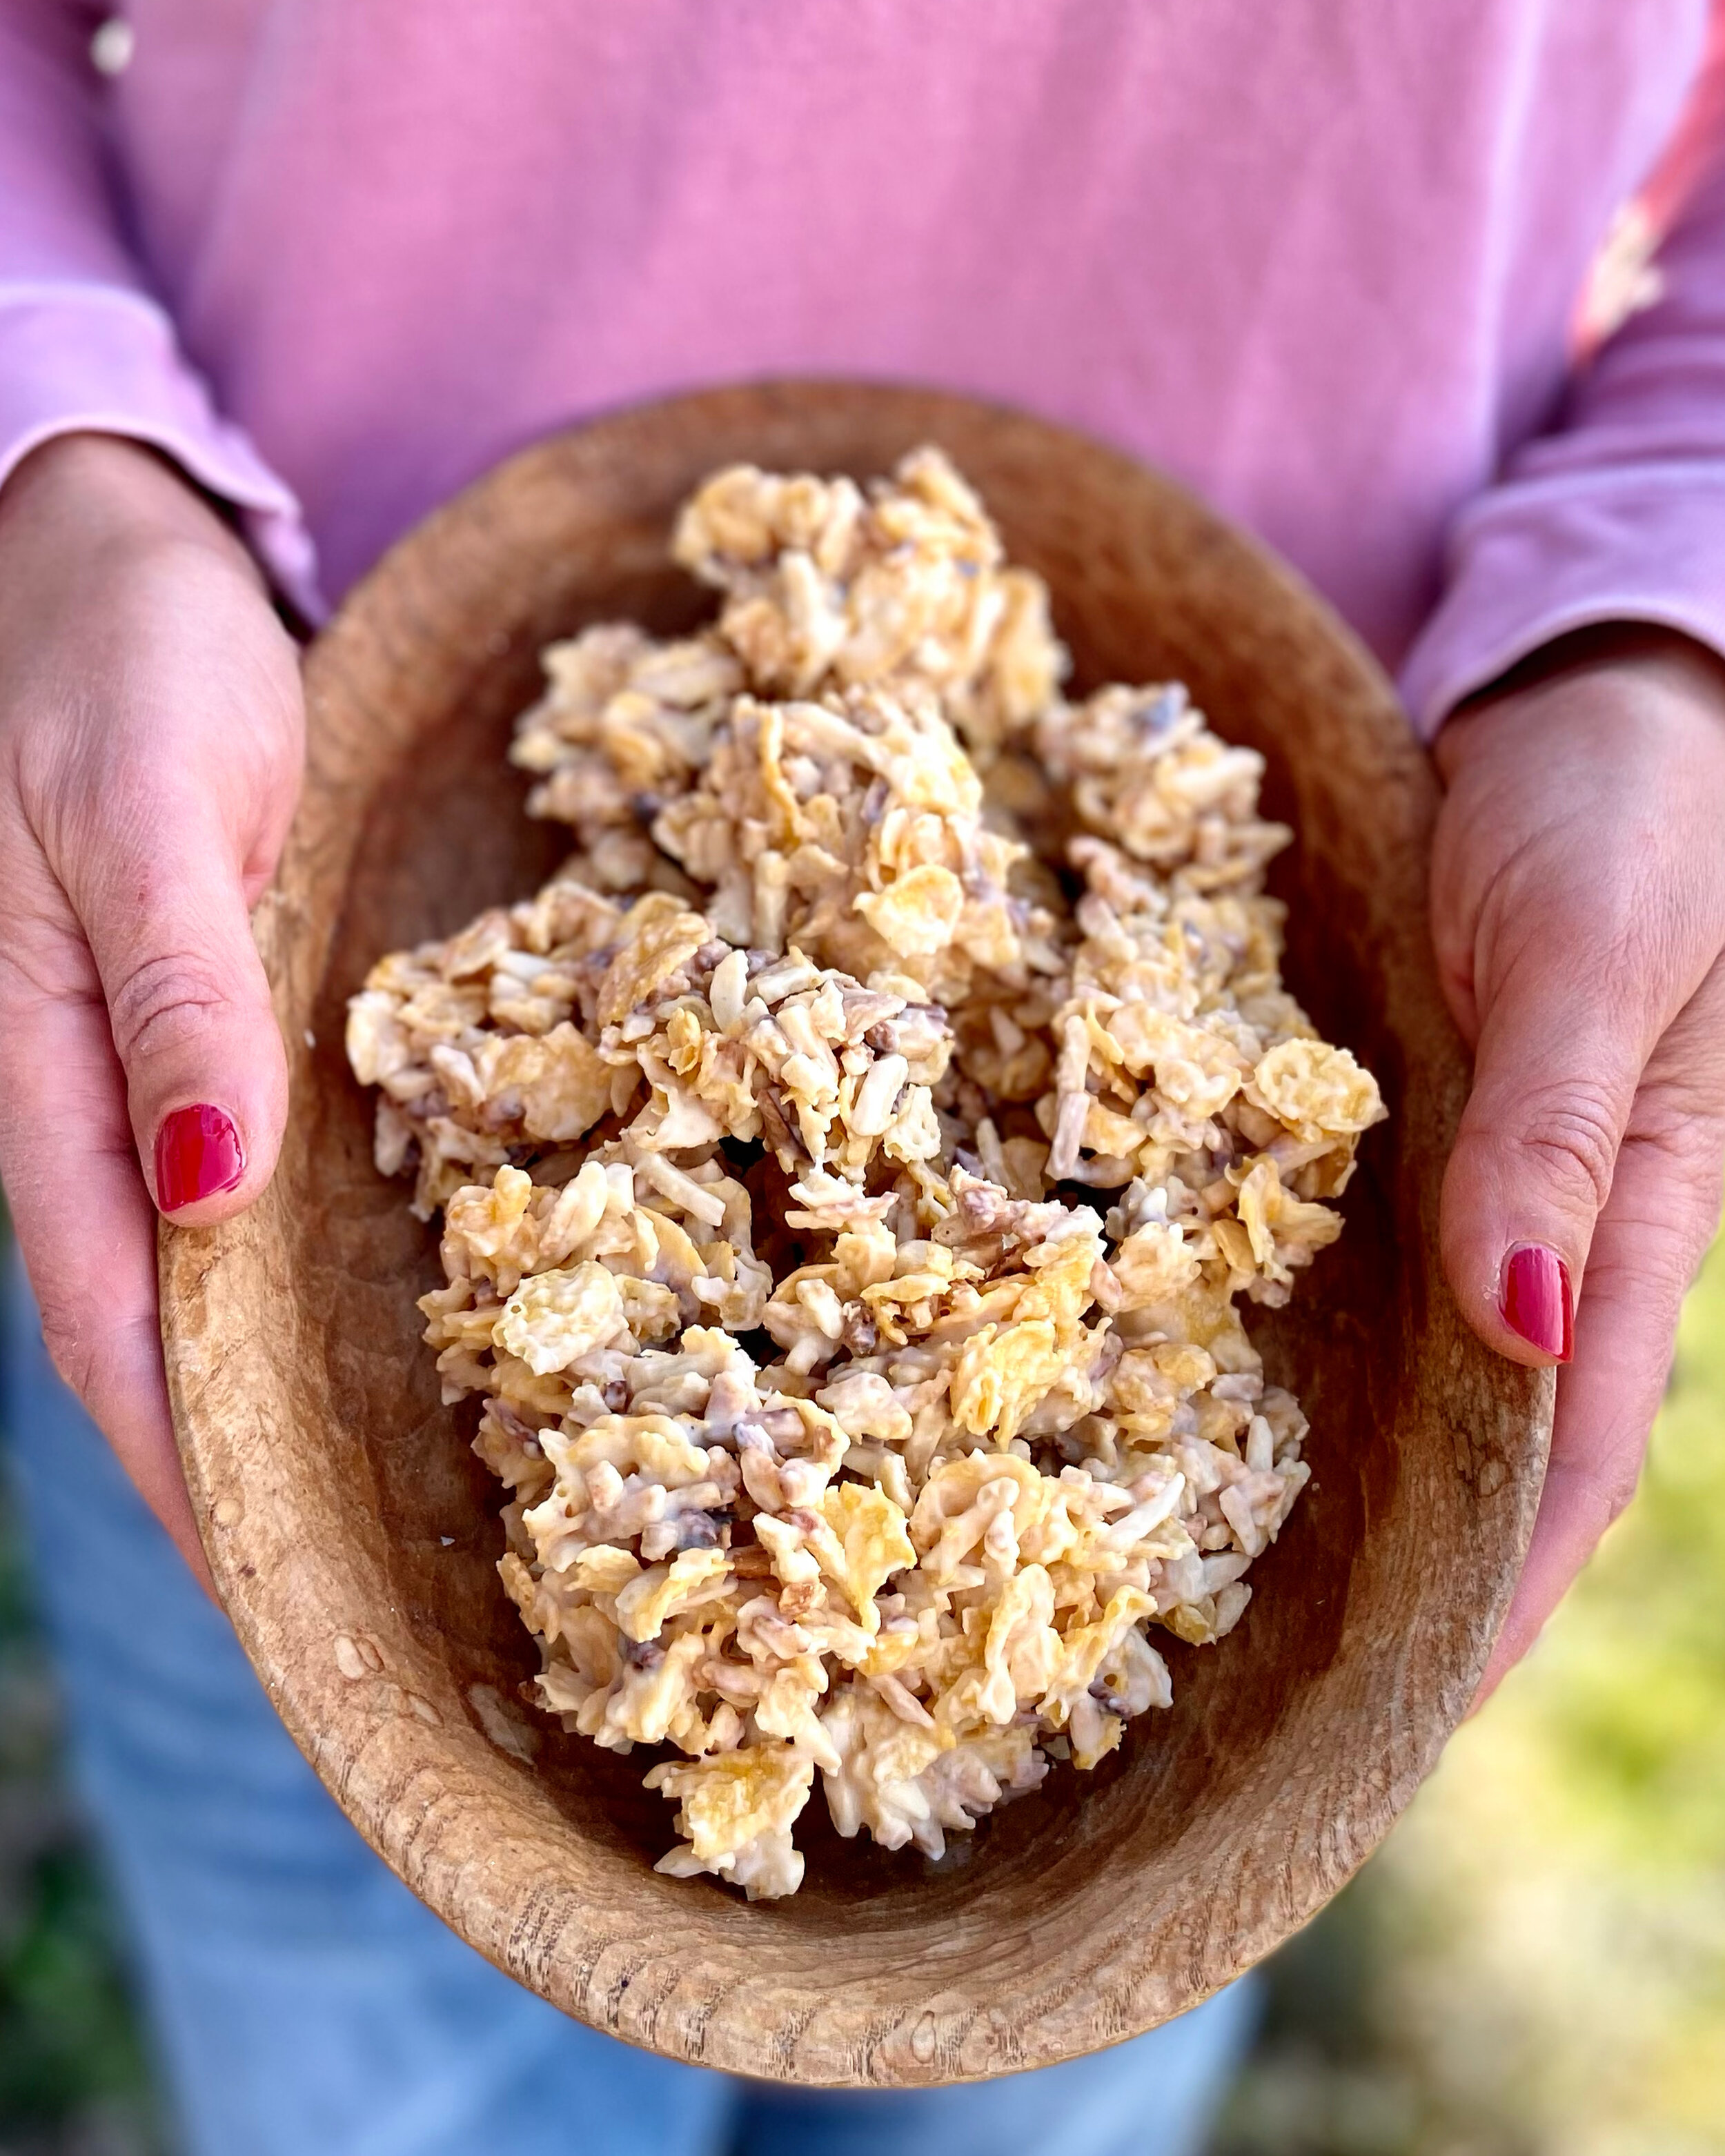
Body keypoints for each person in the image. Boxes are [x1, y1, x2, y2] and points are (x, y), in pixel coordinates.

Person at [1, 5, 1723, 2152]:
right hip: (222, 874)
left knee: (1034, 2091)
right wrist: (60, 451)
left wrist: (1659, 624)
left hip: (1313, 918)